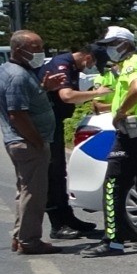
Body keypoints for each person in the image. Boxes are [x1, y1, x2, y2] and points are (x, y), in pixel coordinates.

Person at [83, 26, 137, 258]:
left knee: (113, 185)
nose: (108, 50)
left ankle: (113, 241)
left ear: (123, 43)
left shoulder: (132, 63)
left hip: (131, 132)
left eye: (111, 44)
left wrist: (121, 112)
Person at [0, 30, 63, 255]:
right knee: (34, 194)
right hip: (27, 144)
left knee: (25, 191)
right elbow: (17, 114)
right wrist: (38, 142)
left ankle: (19, 237)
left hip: (21, 142)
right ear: (19, 49)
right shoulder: (17, 76)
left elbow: (26, 102)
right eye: (35, 48)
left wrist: (44, 89)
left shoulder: (15, 71)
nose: (41, 52)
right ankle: (30, 241)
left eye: (41, 47)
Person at [38, 44, 104, 239]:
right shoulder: (62, 64)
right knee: (52, 173)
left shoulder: (71, 66)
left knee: (60, 174)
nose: (90, 67)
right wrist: (97, 93)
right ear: (88, 57)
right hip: (48, 125)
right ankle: (57, 225)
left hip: (55, 124)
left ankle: (68, 218)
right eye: (93, 63)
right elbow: (66, 96)